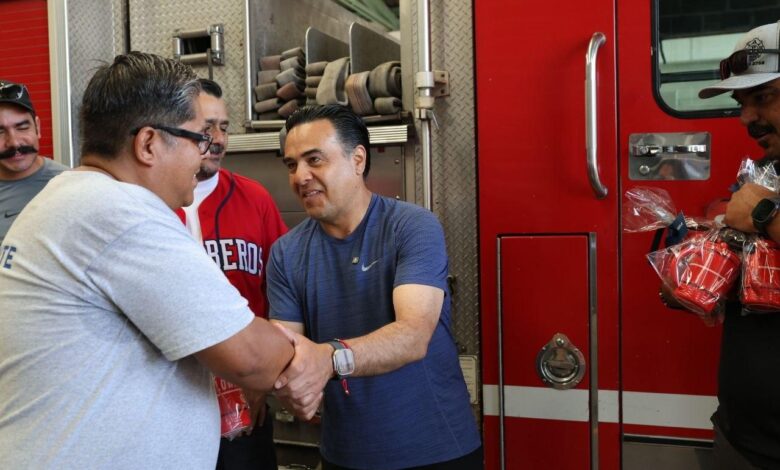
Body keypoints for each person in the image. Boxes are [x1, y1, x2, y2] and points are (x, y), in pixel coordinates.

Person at [0, 52, 295, 469]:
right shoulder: (120, 213)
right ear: (149, 144)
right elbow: (252, 359)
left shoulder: (72, 194)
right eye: (197, 138)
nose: (203, 155)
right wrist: (323, 357)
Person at [267, 104, 483, 469]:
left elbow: (413, 335)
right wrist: (289, 383)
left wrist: (329, 359)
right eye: (291, 165)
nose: (300, 176)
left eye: (314, 160)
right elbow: (287, 350)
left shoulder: (412, 227)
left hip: (436, 452)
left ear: (357, 159)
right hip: (344, 455)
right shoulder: (286, 253)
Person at [176, 78, 287, 470]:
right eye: (207, 127)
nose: (219, 139)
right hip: (175, 400)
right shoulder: (152, 203)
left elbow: (282, 293)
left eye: (224, 127)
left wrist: (264, 377)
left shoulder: (254, 198)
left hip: (245, 401)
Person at [699, 21, 780, 469]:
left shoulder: (762, 196)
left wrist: (765, 214)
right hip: (741, 440)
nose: (746, 118)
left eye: (762, 97)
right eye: (741, 103)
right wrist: (699, 279)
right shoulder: (766, 173)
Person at [0, 80, 67, 242]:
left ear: (37, 127)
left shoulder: (69, 184)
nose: (14, 142)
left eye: (22, 127)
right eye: (0, 132)